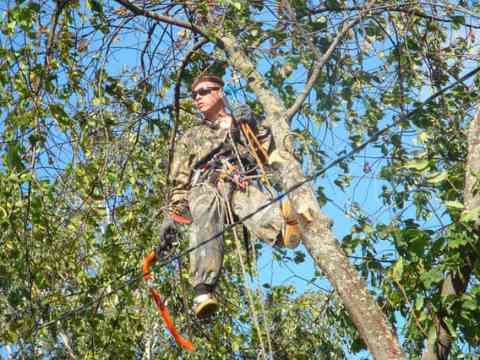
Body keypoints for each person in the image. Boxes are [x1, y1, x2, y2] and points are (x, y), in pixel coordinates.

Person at [160, 74, 300, 318]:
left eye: (203, 92)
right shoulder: (191, 137)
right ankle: (203, 290)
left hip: (239, 179)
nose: (197, 98)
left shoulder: (242, 123)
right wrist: (173, 213)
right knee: (206, 211)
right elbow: (179, 179)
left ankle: (283, 231)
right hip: (206, 184)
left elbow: (268, 155)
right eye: (194, 95)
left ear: (220, 92)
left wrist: (253, 125)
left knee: (247, 198)